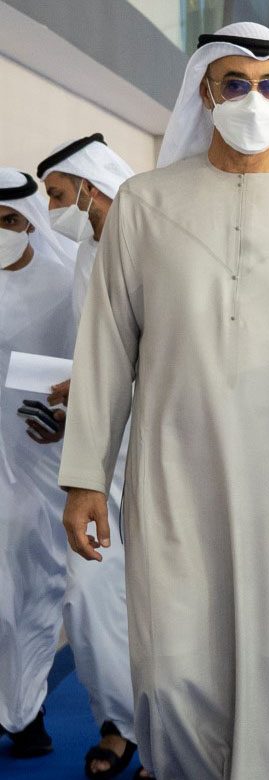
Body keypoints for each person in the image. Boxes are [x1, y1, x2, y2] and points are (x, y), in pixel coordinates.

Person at [58, 22, 269, 779]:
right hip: (174, 483)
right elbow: (105, 348)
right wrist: (84, 476)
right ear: (205, 91)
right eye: (234, 82)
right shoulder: (144, 205)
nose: (254, 98)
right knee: (173, 680)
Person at [37, 134, 147, 779]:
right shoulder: (85, 253)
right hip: (99, 450)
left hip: (164, 445)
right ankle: (118, 721)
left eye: (58, 195)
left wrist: (105, 381)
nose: (55, 209)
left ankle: (168, 730)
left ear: (91, 187)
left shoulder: (153, 241)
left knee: (167, 592)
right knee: (89, 590)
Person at [0, 168, 76, 761]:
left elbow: (93, 373)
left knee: (37, 585)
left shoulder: (66, 280)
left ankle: (27, 712)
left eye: (8, 220)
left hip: (40, 456)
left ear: (30, 221)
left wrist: (71, 424)